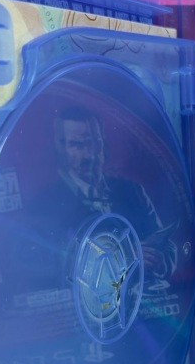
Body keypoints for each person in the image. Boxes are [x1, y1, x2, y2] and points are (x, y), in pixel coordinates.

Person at [47, 106, 176, 279]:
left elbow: (166, 246)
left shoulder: (132, 191)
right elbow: (53, 268)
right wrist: (125, 257)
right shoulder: (45, 205)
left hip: (145, 292)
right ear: (60, 148)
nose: (89, 155)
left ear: (103, 143)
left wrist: (160, 262)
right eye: (77, 145)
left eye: (95, 143)